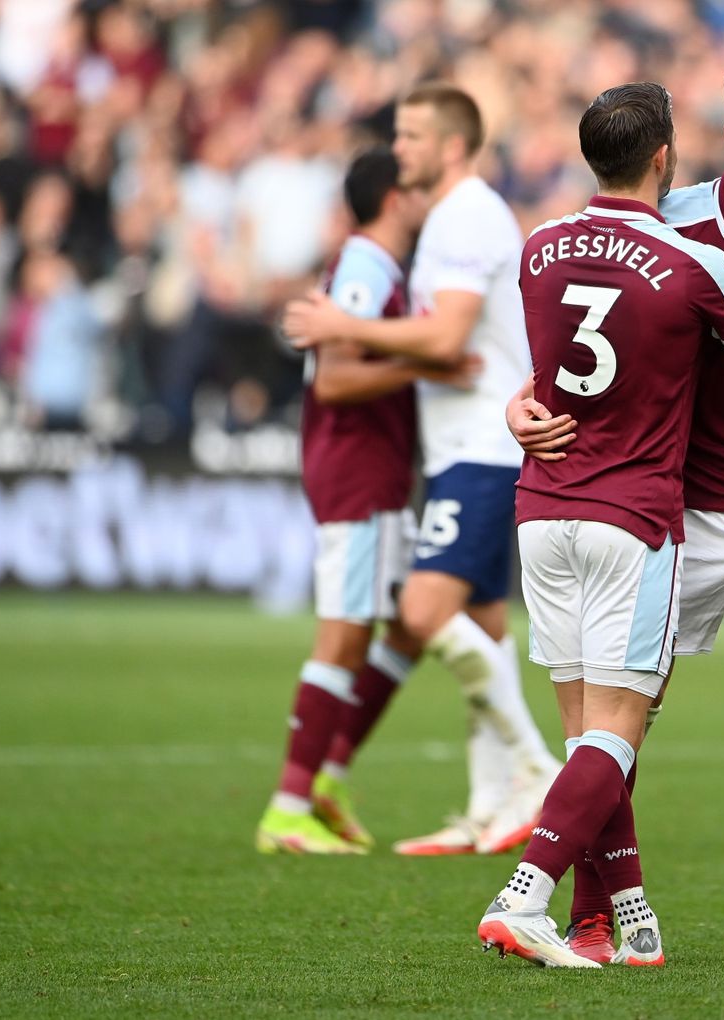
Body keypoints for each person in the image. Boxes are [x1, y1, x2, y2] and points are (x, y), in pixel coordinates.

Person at [478, 81, 724, 970]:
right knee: (621, 720)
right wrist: (520, 405)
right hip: (674, 503)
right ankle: (591, 913)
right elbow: (590, 351)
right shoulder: (677, 227)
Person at [283, 86, 563, 857]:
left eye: (411, 136)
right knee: (485, 628)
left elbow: (447, 337)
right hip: (463, 449)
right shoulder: (450, 218)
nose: (397, 148)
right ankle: (489, 805)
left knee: (422, 611)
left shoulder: (466, 214)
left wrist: (340, 324)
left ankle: (537, 768)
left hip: (483, 448)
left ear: (451, 146)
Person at [257, 148, 439, 854]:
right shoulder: (365, 265)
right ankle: (288, 808)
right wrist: (429, 360)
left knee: (408, 627)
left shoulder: (377, 266)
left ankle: (328, 777)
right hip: (357, 469)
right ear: (395, 198)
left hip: (376, 469)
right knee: (342, 635)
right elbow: (335, 379)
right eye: (419, 188)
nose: (429, 199)